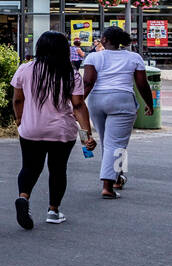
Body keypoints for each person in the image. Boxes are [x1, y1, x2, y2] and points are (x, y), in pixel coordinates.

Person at [12, 31, 95, 229]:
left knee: (29, 167)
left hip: (31, 129)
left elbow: (17, 99)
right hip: (61, 132)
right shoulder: (70, 73)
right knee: (58, 170)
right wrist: (86, 136)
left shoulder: (25, 69)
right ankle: (53, 210)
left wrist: (19, 120)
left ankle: (23, 197)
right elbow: (78, 106)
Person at [81, 26, 155, 199]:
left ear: (105, 40)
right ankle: (109, 185)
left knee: (110, 142)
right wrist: (149, 104)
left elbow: (88, 82)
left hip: (97, 101)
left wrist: (78, 103)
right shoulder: (134, 57)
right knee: (117, 143)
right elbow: (142, 84)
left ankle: (118, 177)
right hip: (122, 100)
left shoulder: (93, 57)